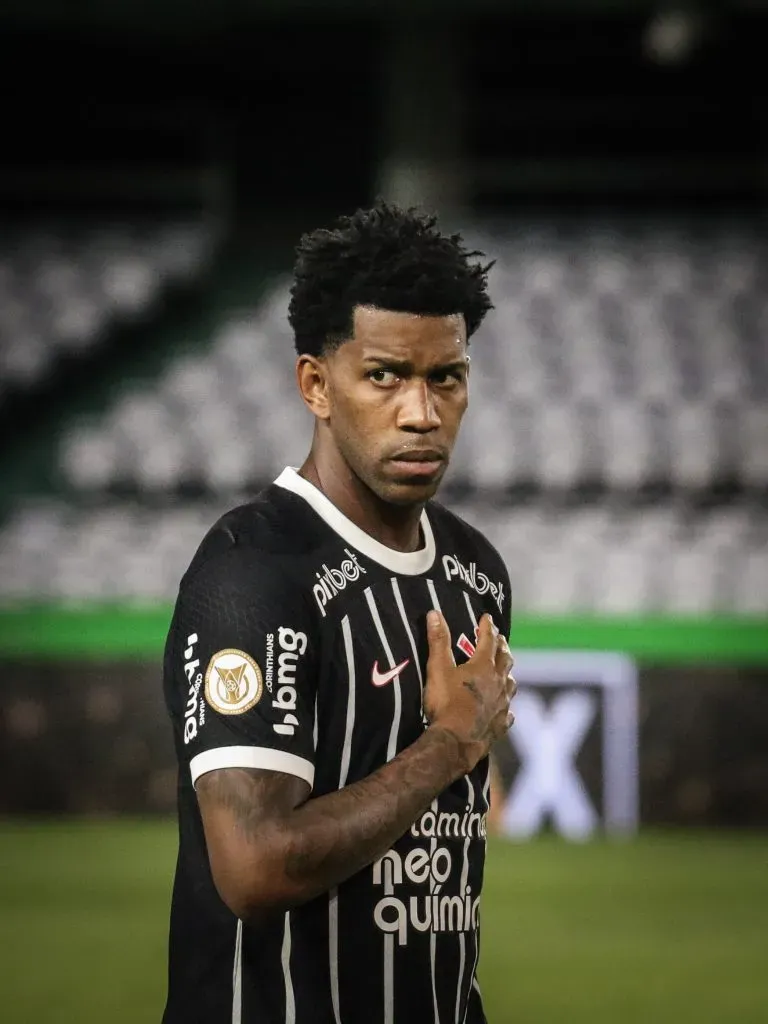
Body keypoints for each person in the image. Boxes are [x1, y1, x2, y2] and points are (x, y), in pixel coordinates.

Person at [162, 201, 516, 1024]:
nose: (421, 412)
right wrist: (447, 747)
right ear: (316, 385)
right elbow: (255, 869)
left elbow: (444, 880)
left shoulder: (477, 573)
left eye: (446, 378)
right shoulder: (254, 574)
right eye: (385, 375)